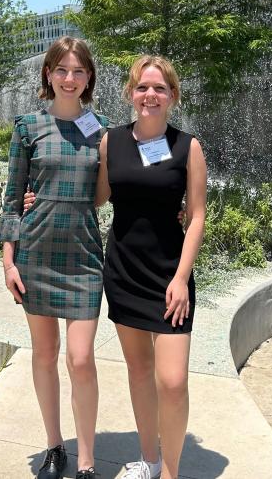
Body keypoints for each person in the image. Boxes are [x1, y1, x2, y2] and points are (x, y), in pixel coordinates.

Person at [0, 36, 108, 479]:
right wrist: (9, 262)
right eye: (61, 70)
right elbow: (11, 200)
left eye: (78, 71)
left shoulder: (100, 132)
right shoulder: (27, 128)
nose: (69, 78)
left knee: (80, 359)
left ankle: (86, 461)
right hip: (36, 254)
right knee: (44, 353)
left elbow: (104, 195)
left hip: (83, 255)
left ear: (88, 78)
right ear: (48, 74)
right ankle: (54, 446)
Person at [96, 55, 207, 479]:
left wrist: (181, 278)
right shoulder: (112, 142)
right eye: (143, 87)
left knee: (173, 381)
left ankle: (170, 473)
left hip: (168, 277)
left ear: (172, 96)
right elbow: (98, 197)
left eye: (160, 88)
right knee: (140, 371)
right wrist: (42, 196)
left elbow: (196, 216)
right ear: (130, 92)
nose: (150, 95)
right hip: (123, 271)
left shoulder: (188, 147)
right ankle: (149, 458)